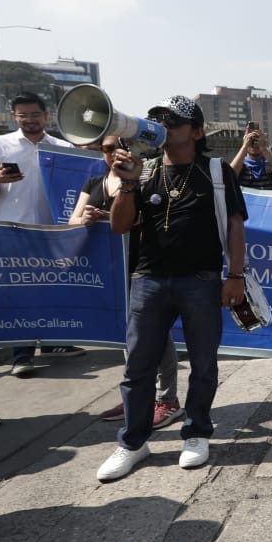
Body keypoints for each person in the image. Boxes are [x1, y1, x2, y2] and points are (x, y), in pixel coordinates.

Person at [95, 95, 248, 482]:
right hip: (148, 279)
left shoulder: (215, 170)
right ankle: (133, 442)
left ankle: (196, 432)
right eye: (157, 120)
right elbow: (119, 226)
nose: (163, 126)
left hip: (201, 280)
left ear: (197, 132)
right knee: (138, 366)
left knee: (203, 363)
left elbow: (234, 225)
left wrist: (235, 276)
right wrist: (127, 184)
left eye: (173, 121)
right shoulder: (143, 172)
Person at [68, 139, 182, 430]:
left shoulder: (144, 180)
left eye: (120, 147)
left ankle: (167, 399)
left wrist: (111, 217)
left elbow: (151, 220)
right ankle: (136, 396)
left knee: (156, 333)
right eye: (107, 149)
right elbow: (72, 222)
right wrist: (88, 218)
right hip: (108, 273)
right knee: (125, 337)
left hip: (141, 267)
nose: (114, 154)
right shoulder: (94, 182)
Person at [0, 92, 81, 375]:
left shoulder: (63, 146)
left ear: (46, 116)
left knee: (51, 288)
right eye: (23, 115)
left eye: (35, 114)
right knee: (21, 293)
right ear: (14, 116)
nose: (29, 120)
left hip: (52, 228)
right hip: (14, 229)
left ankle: (52, 343)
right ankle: (22, 355)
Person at [230, 125, 272, 190]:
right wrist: (244, 146)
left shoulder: (269, 164)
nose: (255, 144)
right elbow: (230, 175)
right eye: (251, 142)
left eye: (257, 142)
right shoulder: (241, 165)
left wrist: (263, 148)